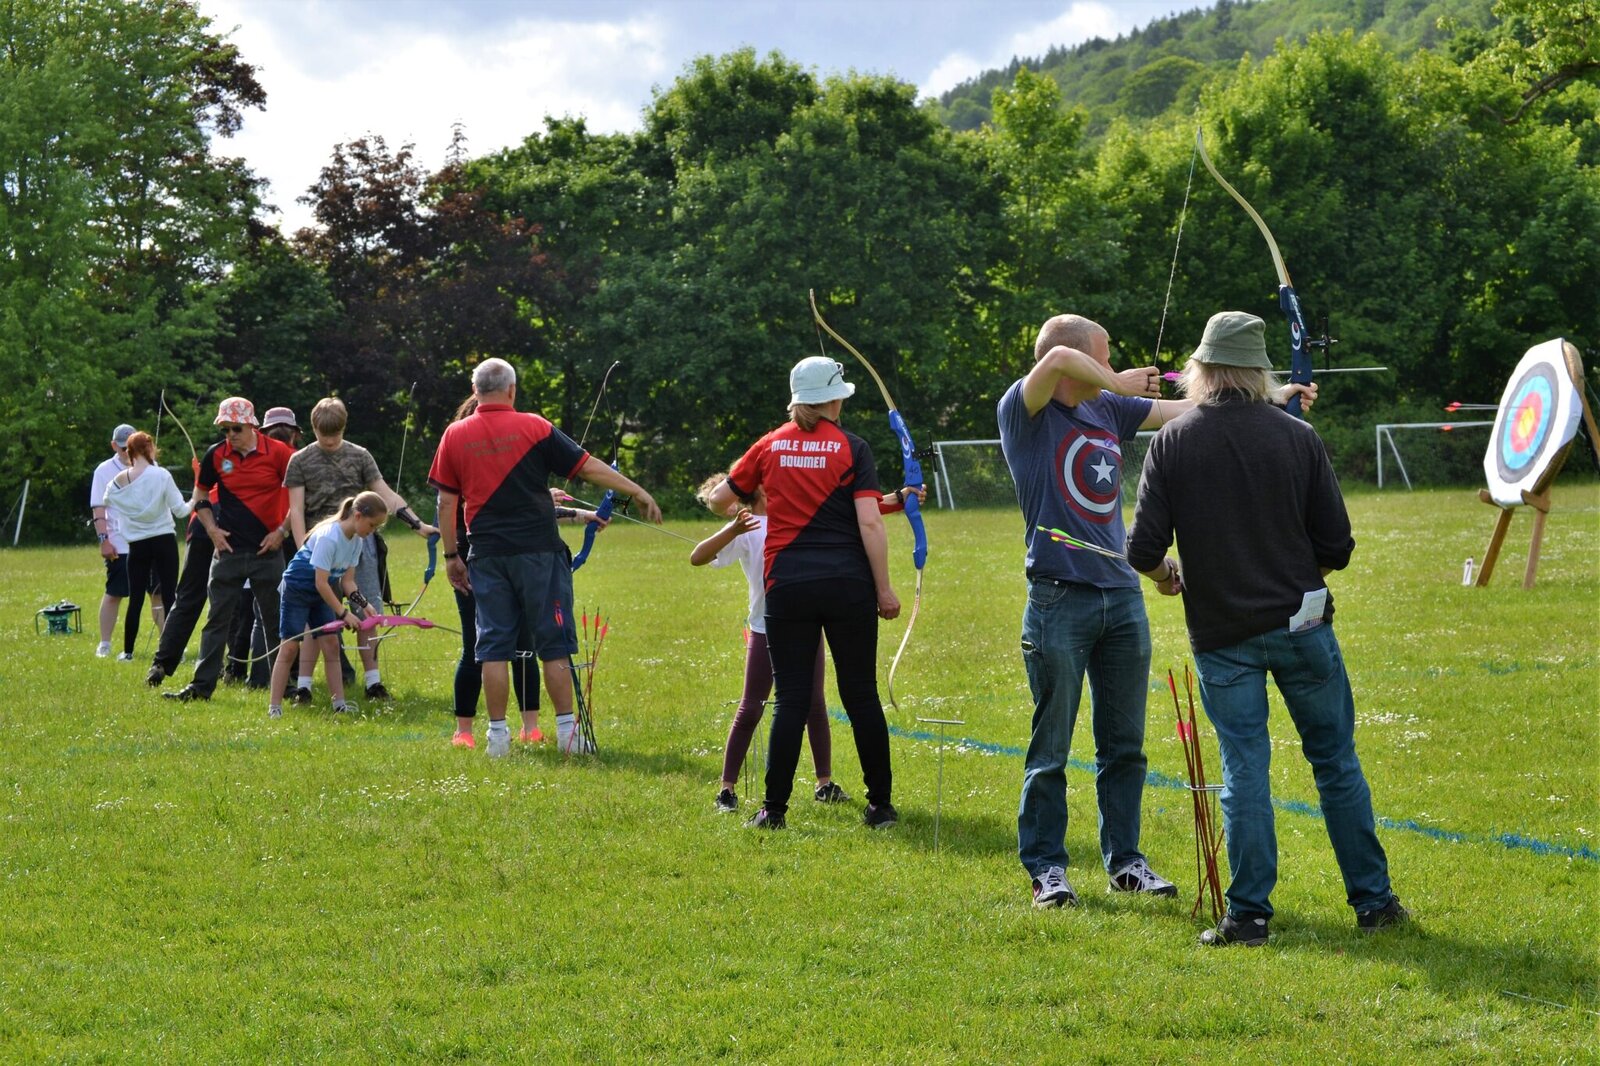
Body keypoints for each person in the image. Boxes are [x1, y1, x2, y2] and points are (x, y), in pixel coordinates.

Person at [999, 312, 1319, 908]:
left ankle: (1126, 861)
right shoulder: (1027, 411)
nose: (1115, 362)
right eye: (1104, 354)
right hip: (1057, 595)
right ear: (1081, 358)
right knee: (1053, 745)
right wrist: (1119, 380)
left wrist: (1275, 398)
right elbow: (1057, 363)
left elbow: (1195, 414)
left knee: (1125, 744)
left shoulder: (1106, 411)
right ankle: (1047, 868)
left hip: (1120, 595)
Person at [1127, 310, 1406, 946]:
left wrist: (1166, 573)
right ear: (1259, 371)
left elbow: (1143, 547)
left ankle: (1248, 915)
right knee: (1335, 762)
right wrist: (1297, 566)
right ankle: (1374, 902)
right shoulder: (1294, 437)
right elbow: (1337, 544)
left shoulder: (1173, 441)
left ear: (1198, 370)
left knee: (1244, 768)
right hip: (1303, 625)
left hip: (1223, 634)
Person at [705, 356, 902, 831]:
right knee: (860, 696)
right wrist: (885, 589)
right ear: (834, 400)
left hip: (786, 586)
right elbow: (870, 521)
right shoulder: (853, 448)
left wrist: (747, 503)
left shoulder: (769, 446)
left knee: (791, 699)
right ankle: (879, 807)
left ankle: (773, 811)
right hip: (848, 585)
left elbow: (718, 500)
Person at [428, 357, 661, 758]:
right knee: (553, 644)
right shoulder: (534, 427)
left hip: (485, 554)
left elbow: (445, 502)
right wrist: (637, 491)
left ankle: (497, 739)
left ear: (475, 390)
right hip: (539, 553)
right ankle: (569, 735)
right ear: (512, 390)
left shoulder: (454, 435)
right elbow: (588, 468)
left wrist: (451, 555)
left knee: (492, 648)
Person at [443, 396, 607, 748]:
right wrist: (451, 556)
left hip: (497, 558)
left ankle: (527, 726)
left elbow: (526, 505)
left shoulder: (493, 456)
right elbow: (469, 506)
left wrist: (582, 516)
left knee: (524, 647)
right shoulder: (465, 459)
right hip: (475, 561)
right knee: (480, 648)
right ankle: (467, 731)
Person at [690, 476, 842, 813]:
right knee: (751, 707)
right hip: (765, 628)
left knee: (815, 705)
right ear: (760, 490)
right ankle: (726, 790)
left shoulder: (797, 518)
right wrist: (732, 530)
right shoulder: (747, 527)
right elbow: (697, 557)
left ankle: (824, 784)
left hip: (805, 626)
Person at [284, 397, 439, 704]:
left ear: (344, 427)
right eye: (323, 434)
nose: (329, 441)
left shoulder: (360, 456)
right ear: (313, 427)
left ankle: (373, 682)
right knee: (315, 620)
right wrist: (304, 551)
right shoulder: (299, 460)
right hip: (320, 546)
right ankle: (303, 686)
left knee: (368, 611)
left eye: (335, 434)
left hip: (359, 545)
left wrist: (417, 525)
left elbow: (384, 495)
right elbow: (297, 510)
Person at [161, 397, 294, 702]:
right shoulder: (216, 456)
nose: (230, 435)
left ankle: (284, 688)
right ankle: (200, 687)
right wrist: (211, 530)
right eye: (224, 429)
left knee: (276, 622)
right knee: (215, 621)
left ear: (251, 425)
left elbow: (301, 496)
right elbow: (201, 496)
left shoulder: (279, 454)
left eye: (235, 428)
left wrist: (281, 532)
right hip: (228, 552)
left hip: (268, 552)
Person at [267, 491, 388, 718]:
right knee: (290, 646)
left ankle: (339, 704)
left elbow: (347, 582)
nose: (372, 532)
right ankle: (275, 707)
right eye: (372, 525)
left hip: (320, 592)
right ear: (358, 516)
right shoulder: (329, 537)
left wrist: (365, 606)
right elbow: (321, 583)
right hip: (297, 589)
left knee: (331, 645)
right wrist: (343, 614)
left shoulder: (356, 542)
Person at [226, 407, 303, 688]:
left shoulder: (276, 456)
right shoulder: (296, 457)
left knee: (257, 611)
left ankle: (255, 675)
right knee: (286, 610)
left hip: (273, 538)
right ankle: (283, 676)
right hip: (281, 538)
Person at [103, 432, 192, 661]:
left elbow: (107, 500)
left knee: (135, 599)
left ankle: (128, 652)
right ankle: (174, 652)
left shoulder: (118, 481)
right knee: (170, 596)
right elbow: (181, 510)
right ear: (148, 448)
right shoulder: (161, 475)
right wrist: (197, 497)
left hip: (137, 545)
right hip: (163, 540)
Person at [90, 423, 163, 658]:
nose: (127, 453)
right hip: (120, 544)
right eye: (122, 448)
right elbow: (99, 509)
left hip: (150, 539)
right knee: (115, 593)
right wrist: (104, 540)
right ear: (114, 446)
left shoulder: (153, 468)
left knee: (157, 594)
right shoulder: (103, 470)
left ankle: (167, 643)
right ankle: (105, 644)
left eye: (131, 447)